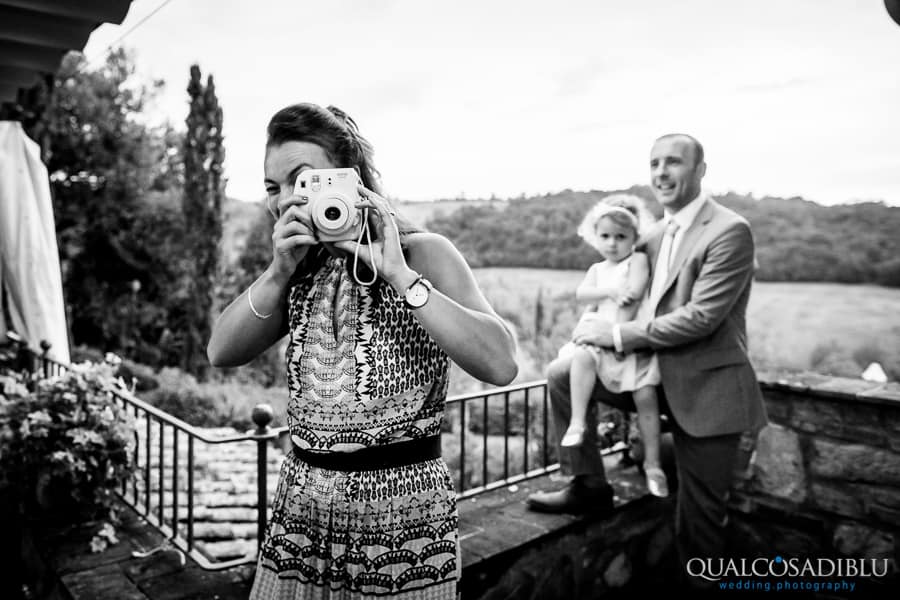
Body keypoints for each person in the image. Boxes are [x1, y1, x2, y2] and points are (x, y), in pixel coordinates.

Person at [208, 103, 518, 599]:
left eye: (303, 179)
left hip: (401, 517)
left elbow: (500, 363)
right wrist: (278, 271)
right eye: (273, 187)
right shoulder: (299, 269)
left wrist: (399, 275)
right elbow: (221, 351)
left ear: (348, 176)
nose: (287, 199)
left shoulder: (421, 251)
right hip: (303, 510)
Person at [527, 133, 767, 585]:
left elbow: (702, 318)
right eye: (654, 162)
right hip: (648, 377)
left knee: (699, 525)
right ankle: (589, 485)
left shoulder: (729, 230)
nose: (661, 172)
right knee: (563, 371)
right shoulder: (650, 236)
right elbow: (622, 293)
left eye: (674, 162)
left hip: (706, 389)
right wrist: (590, 330)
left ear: (700, 171)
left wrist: (616, 335)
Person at [558, 194, 668, 498]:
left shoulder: (637, 261)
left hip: (630, 340)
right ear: (595, 237)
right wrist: (607, 291)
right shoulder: (598, 270)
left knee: (646, 396)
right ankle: (577, 422)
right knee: (581, 358)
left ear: (634, 238)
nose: (612, 243)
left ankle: (653, 464)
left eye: (621, 237)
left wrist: (622, 303)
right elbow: (583, 295)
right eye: (605, 236)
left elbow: (633, 294)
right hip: (601, 340)